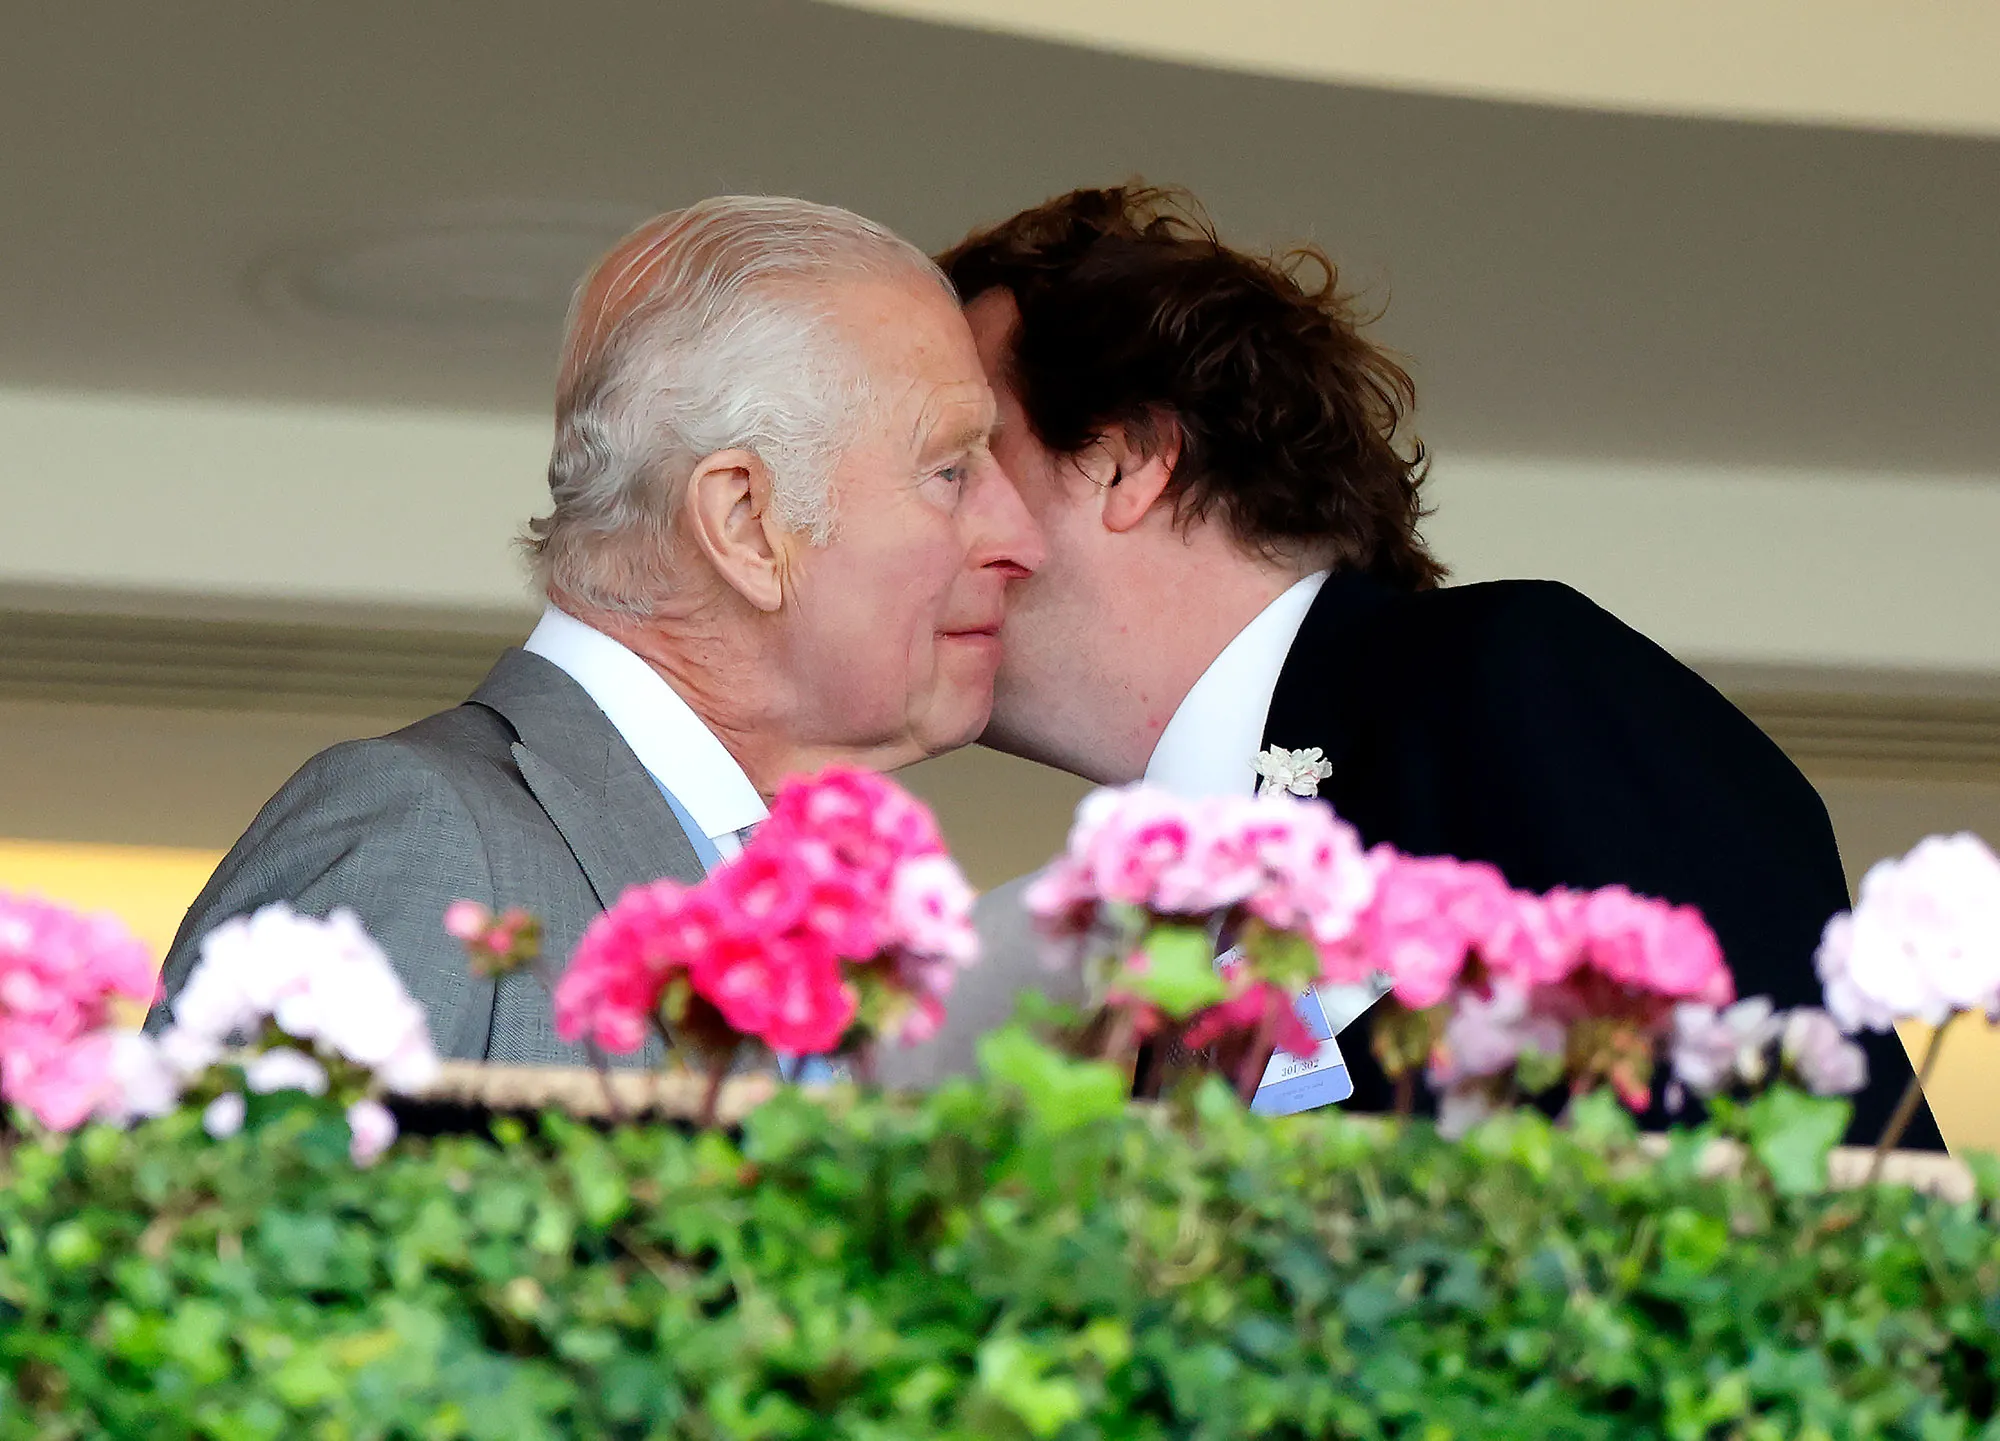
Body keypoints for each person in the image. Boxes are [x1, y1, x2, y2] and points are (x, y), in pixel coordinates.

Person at [941, 183, 1939, 1147]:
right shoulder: (1131, 938)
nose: (923, 520)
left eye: (960, 455)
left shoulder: (1509, 677)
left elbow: (1771, 1169)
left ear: (1125, 459)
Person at [150, 196, 1043, 1063]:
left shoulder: (805, 898)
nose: (1020, 539)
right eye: (951, 470)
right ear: (743, 522)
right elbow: (217, 1213)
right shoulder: (422, 834)